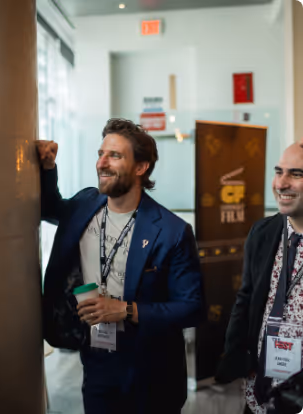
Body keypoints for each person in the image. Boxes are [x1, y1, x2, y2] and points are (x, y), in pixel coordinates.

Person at [38, 118, 204, 414]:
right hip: (97, 359)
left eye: (114, 155)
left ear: (141, 167)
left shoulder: (171, 231)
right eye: (100, 154)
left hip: (152, 371)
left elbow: (192, 307)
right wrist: (49, 167)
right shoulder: (84, 204)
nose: (102, 163)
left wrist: (126, 310)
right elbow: (50, 207)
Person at [216, 142, 303, 414]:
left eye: (296, 174)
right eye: (279, 172)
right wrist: (235, 356)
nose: (282, 183)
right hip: (260, 389)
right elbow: (246, 297)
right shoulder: (263, 233)